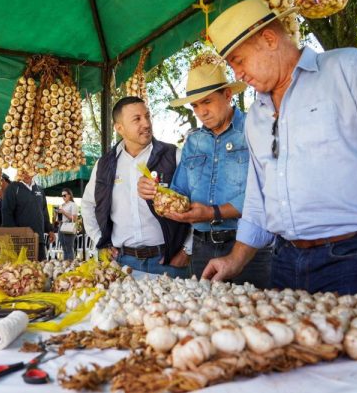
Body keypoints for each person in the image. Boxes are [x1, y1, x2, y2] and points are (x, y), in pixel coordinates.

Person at [202, 0, 357, 311]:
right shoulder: (257, 114)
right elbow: (259, 199)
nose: (238, 73)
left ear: (269, 39)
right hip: (285, 262)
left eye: (238, 60)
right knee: (299, 356)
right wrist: (236, 258)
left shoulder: (350, 70)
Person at [140, 54, 270, 285]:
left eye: (207, 102)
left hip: (249, 248)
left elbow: (267, 190)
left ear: (228, 95)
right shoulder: (193, 141)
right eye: (195, 106)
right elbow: (180, 191)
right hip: (202, 248)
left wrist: (214, 212)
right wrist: (156, 192)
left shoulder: (255, 129)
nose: (201, 112)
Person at [82, 97, 191, 277]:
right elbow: (87, 205)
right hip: (123, 263)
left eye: (147, 116)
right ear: (119, 128)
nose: (146, 123)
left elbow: (197, 200)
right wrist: (99, 242)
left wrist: (187, 250)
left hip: (168, 261)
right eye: (137, 119)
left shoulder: (173, 155)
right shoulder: (104, 165)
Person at [1, 171, 54, 260]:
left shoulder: (39, 189)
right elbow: (7, 213)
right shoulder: (13, 188)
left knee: (40, 268)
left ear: (34, 172)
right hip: (21, 240)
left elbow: (44, 211)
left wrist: (50, 230)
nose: (27, 174)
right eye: (23, 171)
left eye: (29, 171)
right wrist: (14, 235)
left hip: (39, 238)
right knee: (22, 269)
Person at [56, 188, 79, 260]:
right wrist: (57, 214)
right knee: (64, 248)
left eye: (64, 195)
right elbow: (59, 219)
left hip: (69, 226)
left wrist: (63, 212)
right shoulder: (62, 205)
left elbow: (74, 219)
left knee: (69, 248)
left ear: (69, 195)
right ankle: (65, 264)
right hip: (61, 226)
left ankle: (71, 265)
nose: (63, 197)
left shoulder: (73, 205)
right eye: (62, 195)